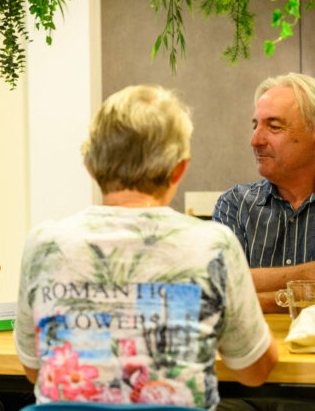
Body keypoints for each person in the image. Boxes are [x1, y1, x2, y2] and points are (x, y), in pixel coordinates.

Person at [15, 85, 277, 408]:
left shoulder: (44, 245)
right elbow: (255, 371)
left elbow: (32, 369)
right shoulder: (214, 245)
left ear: (89, 166)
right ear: (179, 169)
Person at [213, 73, 315, 312]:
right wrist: (306, 278)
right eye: (255, 125)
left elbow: (235, 292)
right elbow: (219, 289)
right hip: (258, 349)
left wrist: (256, 292)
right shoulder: (235, 205)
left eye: (274, 126)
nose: (255, 140)